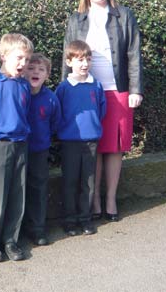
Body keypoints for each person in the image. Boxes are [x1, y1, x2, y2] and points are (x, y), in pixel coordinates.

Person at [62, 0, 143, 221]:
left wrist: (135, 89)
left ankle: (110, 200)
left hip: (118, 91)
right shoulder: (76, 19)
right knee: (93, 147)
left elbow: (133, 53)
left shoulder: (124, 15)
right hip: (87, 93)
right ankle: (93, 201)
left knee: (115, 148)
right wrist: (63, 92)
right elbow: (67, 57)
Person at [0, 33, 34, 263]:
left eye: (27, 60)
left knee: (17, 194)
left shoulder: (24, 85)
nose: (23, 64)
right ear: (3, 56)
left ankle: (11, 240)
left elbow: (25, 112)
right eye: (19, 58)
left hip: (21, 144)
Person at [56, 40, 106, 236]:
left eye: (88, 59)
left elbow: (101, 110)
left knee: (88, 182)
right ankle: (69, 220)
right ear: (69, 62)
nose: (84, 64)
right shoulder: (64, 88)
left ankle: (85, 219)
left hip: (91, 141)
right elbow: (57, 113)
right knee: (70, 182)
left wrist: (92, 128)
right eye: (79, 60)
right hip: (70, 142)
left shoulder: (96, 86)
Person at [22, 53, 61, 247]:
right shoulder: (19, 93)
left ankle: (37, 229)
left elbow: (55, 123)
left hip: (40, 151)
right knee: (18, 189)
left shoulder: (51, 99)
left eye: (41, 69)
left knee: (38, 189)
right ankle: (17, 229)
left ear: (47, 75)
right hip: (19, 149)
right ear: (23, 71)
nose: (36, 72)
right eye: (31, 68)